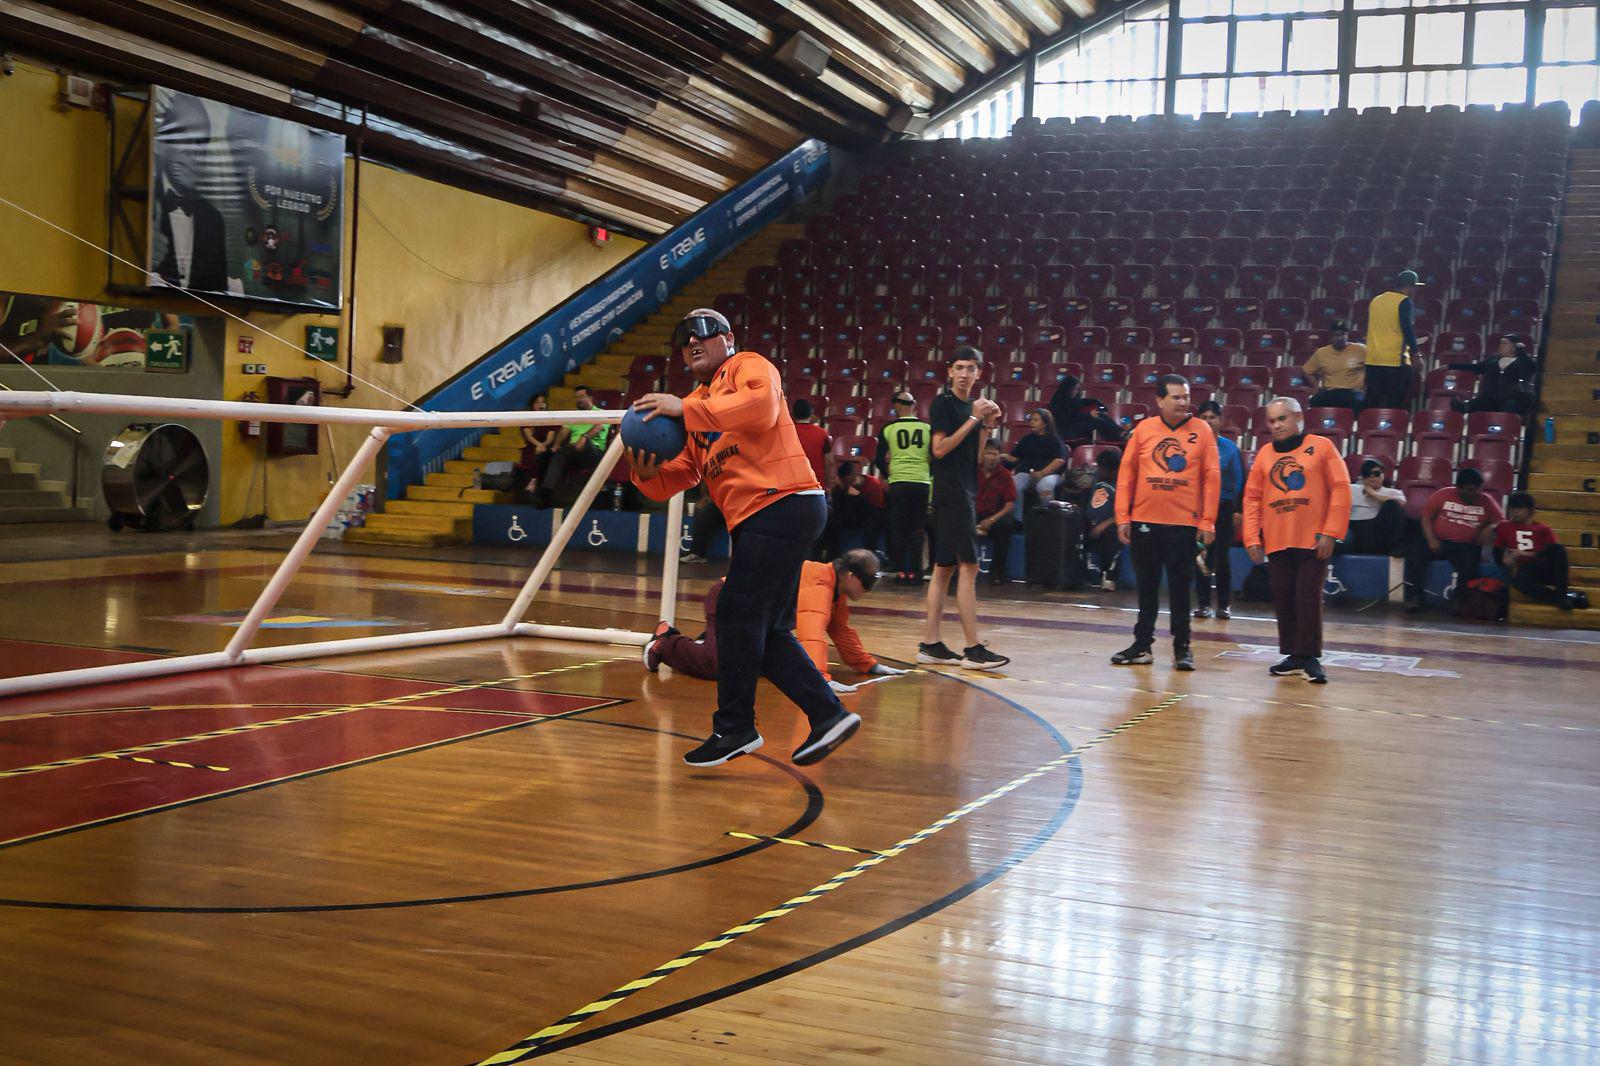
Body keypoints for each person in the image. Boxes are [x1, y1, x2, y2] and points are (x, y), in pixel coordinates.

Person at [627, 308, 860, 768]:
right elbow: (684, 474)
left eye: (701, 331)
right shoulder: (697, 405)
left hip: (785, 502)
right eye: (683, 336)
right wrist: (645, 472)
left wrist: (686, 408)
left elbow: (763, 408)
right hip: (768, 515)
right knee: (762, 628)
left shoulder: (747, 366)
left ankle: (735, 728)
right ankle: (827, 714)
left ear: (727, 338)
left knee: (735, 611)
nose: (690, 340)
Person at [645, 550, 909, 687]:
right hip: (730, 599)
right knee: (719, 668)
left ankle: (709, 643)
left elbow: (840, 632)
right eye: (869, 582)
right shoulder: (819, 585)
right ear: (851, 576)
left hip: (753, 614)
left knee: (755, 664)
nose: (869, 590)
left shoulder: (835, 591)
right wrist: (821, 680)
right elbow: (811, 634)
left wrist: (869, 665)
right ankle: (665, 642)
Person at [1110, 374, 1220, 671]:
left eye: (1186, 396)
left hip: (1184, 523)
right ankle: (1142, 645)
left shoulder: (1203, 431)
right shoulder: (1144, 430)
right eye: (1176, 397)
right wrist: (1123, 516)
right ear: (1159, 400)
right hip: (1145, 520)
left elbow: (1211, 479)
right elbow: (1126, 476)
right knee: (1146, 587)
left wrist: (1207, 521)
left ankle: (1182, 647)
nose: (1184, 402)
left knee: (1181, 589)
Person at [1242, 397, 1351, 685]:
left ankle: (1310, 657)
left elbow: (1340, 490)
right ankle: (1293, 655)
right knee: (1284, 598)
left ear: (1299, 417)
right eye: (1272, 421)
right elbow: (1252, 499)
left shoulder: (1323, 447)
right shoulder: (1264, 455)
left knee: (1307, 596)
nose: (1276, 425)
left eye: (1282, 419)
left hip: (1313, 540)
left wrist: (1331, 532)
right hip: (1277, 540)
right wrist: (1252, 537)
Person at [918, 347, 1011, 670]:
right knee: (968, 568)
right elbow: (940, 449)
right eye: (958, 367)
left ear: (978, 373)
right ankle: (973, 648)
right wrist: (973, 416)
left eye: (970, 368)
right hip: (953, 493)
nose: (963, 374)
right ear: (949, 371)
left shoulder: (968, 407)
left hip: (961, 490)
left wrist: (986, 425)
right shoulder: (945, 404)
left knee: (944, 569)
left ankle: (930, 643)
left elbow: (974, 456)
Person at [149, 92, 243, 295]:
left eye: (199, 143)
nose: (190, 153)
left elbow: (217, 292)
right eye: (181, 136)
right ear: (159, 143)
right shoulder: (144, 205)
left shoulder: (213, 219)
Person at [1404, 467, 1503, 612]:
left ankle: (1459, 600)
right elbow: (1426, 516)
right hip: (1439, 540)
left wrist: (1491, 527)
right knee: (1416, 554)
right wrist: (1431, 539)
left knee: (1470, 564)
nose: (1475, 493)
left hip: (1466, 545)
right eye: (1470, 490)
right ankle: (1414, 597)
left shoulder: (1486, 500)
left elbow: (1501, 521)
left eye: (1478, 489)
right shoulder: (1443, 494)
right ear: (1459, 488)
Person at [874, 391, 932, 585]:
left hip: (899, 482)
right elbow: (935, 456)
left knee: (899, 528)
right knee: (917, 528)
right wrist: (926, 473)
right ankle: (915, 573)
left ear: (898, 406)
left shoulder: (889, 429)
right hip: (921, 482)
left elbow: (878, 459)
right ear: (913, 406)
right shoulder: (926, 428)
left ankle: (899, 570)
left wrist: (891, 475)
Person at [1193, 401, 1244, 620]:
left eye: (1212, 417)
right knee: (1201, 558)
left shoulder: (1230, 449)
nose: (1208, 421)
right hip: (1198, 509)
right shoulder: (1191, 446)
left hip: (1223, 509)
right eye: (1203, 417)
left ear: (1220, 421)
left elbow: (1240, 481)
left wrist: (1238, 510)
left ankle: (1224, 605)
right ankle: (1203, 604)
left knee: (1222, 559)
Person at [1494, 492, 1575, 610]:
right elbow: (1497, 550)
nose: (1515, 511)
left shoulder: (1543, 529)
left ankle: (1562, 594)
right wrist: (1505, 560)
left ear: (1530, 510)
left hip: (1543, 566)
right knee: (1519, 582)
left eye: (1520, 508)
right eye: (1513, 508)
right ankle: (1560, 598)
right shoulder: (1504, 527)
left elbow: (1555, 552)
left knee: (1558, 549)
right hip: (1525, 571)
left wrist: (1527, 553)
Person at [535, 385, 610, 508]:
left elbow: (599, 427)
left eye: (581, 397)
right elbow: (563, 432)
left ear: (590, 397)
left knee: (578, 446)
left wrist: (584, 437)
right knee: (552, 456)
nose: (578, 400)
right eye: (576, 397)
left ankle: (544, 491)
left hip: (593, 452)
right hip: (572, 452)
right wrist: (556, 445)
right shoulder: (574, 415)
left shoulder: (601, 413)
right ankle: (545, 495)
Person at [1364, 269, 1424, 411]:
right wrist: (1416, 354)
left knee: (1373, 403)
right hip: (1394, 361)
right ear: (1409, 286)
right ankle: (1392, 430)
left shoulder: (1376, 300)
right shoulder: (1405, 301)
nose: (1415, 290)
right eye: (1414, 287)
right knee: (1395, 403)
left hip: (1372, 360)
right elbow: (1407, 328)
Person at [1002, 409, 1067, 518]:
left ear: (1045, 423)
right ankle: (1018, 519)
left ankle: (1047, 519)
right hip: (1026, 473)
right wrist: (1003, 457)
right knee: (1013, 484)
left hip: (1049, 474)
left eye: (1036, 420)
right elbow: (1015, 458)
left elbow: (1059, 460)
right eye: (1031, 420)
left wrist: (1042, 473)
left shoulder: (1054, 439)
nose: (1032, 422)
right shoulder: (1026, 439)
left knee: (1045, 486)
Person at [1449, 335, 1537, 415]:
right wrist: (1452, 366)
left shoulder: (1521, 362)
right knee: (1481, 401)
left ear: (1514, 347)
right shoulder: (1492, 361)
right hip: (1490, 397)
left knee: (1511, 404)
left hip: (1510, 397)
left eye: (1505, 343)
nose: (1501, 346)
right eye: (1501, 343)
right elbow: (1474, 367)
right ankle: (1464, 407)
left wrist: (1520, 351)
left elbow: (1531, 368)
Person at [1339, 459, 1405, 556]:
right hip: (1353, 530)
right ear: (1362, 477)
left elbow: (1400, 505)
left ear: (1383, 475)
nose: (1372, 476)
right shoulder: (1351, 489)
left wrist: (1373, 493)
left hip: (1375, 533)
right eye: (1367, 473)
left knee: (1391, 504)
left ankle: (1395, 549)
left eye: (1376, 473)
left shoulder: (1393, 492)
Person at [820, 461, 885, 559]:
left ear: (855, 476)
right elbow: (838, 508)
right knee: (831, 520)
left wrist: (858, 496)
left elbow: (874, 509)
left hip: (868, 515)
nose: (848, 483)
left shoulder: (872, 484)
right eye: (845, 481)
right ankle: (829, 554)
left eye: (849, 481)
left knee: (873, 522)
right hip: (849, 516)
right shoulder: (840, 488)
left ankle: (870, 555)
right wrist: (843, 491)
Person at [975, 442, 1019, 586]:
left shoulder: (1005, 475)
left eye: (995, 454)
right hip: (974, 513)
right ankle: (955, 572)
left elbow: (1010, 504)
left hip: (995, 515)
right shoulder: (973, 471)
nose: (992, 457)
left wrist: (992, 520)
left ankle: (997, 573)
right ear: (982, 455)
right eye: (989, 453)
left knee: (1004, 527)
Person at [1302, 321, 1367, 410]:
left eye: (1343, 334)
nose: (1340, 338)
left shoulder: (1361, 349)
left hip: (1353, 392)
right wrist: (1315, 387)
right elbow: (1306, 371)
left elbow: (1373, 369)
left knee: (1360, 402)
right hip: (1331, 392)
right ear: (1331, 336)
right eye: (1336, 335)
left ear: (1347, 335)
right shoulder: (1321, 352)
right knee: (1313, 403)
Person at [1085, 449, 1121, 591]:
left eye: (1102, 468)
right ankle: (1086, 575)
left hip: (1112, 524)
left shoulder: (1121, 483)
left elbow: (1125, 513)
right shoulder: (1097, 479)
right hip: (1092, 522)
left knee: (1111, 536)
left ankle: (1110, 577)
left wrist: (1103, 525)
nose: (1099, 470)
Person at [514, 393, 559, 499]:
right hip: (531, 447)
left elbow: (550, 438)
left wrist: (543, 445)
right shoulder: (527, 419)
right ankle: (533, 481)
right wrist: (538, 445)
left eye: (543, 402)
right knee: (534, 455)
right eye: (537, 403)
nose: (540, 405)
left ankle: (535, 481)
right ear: (532, 405)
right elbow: (529, 436)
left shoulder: (550, 419)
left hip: (546, 447)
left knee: (543, 456)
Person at [790, 398, 830, 489]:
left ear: (793, 415)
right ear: (811, 414)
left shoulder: (787, 433)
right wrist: (828, 485)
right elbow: (828, 462)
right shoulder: (823, 434)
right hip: (816, 484)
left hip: (792, 485)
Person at [1058, 394, 1126, 445]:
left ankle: (1121, 432)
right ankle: (1120, 434)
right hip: (1066, 432)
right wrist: (1089, 415)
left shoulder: (1073, 401)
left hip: (1076, 426)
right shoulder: (1059, 404)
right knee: (1094, 420)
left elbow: (1084, 403)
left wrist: (1096, 401)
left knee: (1099, 415)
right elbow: (1069, 419)